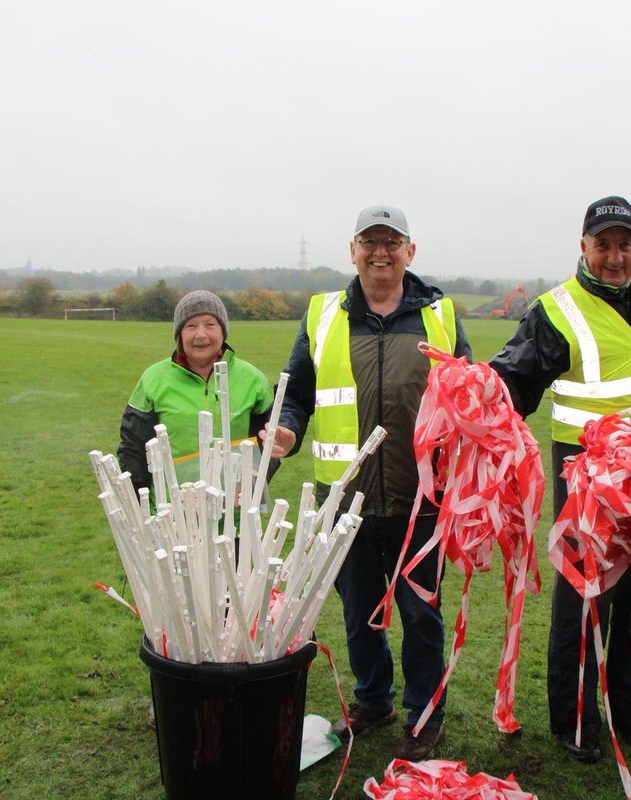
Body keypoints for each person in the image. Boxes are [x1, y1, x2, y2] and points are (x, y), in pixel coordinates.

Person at [261, 204, 472, 761]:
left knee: (421, 614)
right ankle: (373, 699)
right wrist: (285, 431)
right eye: (369, 242)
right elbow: (298, 394)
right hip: (344, 498)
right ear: (352, 251)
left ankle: (424, 715)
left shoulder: (441, 315)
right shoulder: (323, 315)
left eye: (392, 241)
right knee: (359, 614)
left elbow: (468, 395)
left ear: (411, 251)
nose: (381, 251)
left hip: (420, 496)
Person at [488, 195, 631, 762]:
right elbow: (514, 383)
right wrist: (475, 403)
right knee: (585, 600)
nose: (614, 257)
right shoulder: (557, 309)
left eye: (625, 244)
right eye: (603, 245)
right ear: (583, 246)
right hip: (587, 482)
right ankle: (574, 722)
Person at [117, 289, 274, 496]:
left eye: (210, 324)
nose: (201, 335)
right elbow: (133, 448)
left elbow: (270, 444)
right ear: (179, 335)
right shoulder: (153, 379)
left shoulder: (253, 380)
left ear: (223, 331)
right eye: (191, 326)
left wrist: (254, 482)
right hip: (172, 515)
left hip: (236, 518)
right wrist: (139, 504)